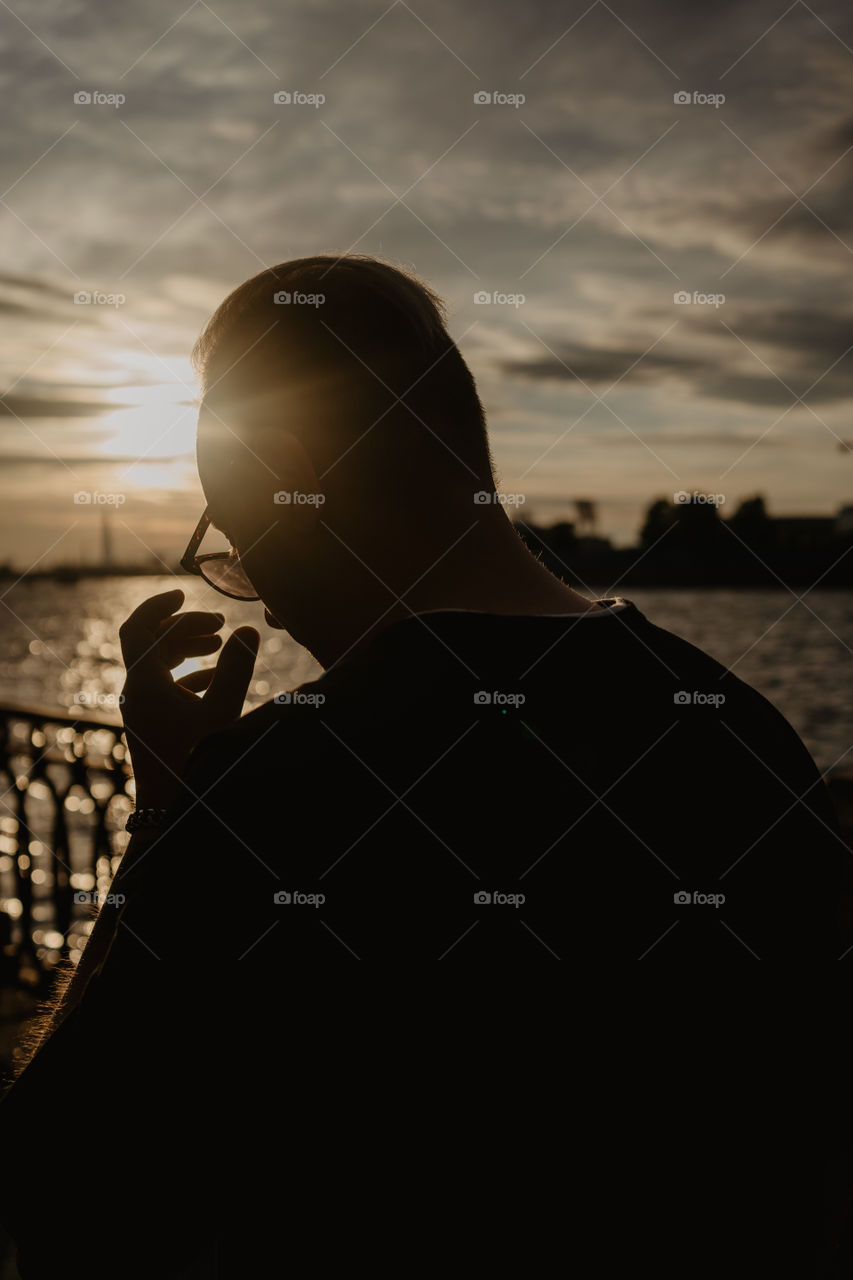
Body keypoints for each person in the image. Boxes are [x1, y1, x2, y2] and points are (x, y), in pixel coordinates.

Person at [0, 254, 846, 1276]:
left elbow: (54, 1190)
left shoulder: (280, 789)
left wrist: (169, 821)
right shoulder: (738, 734)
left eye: (231, 533)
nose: (254, 595)